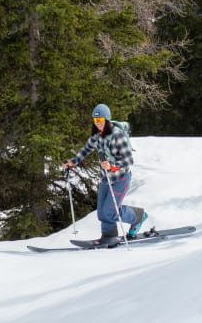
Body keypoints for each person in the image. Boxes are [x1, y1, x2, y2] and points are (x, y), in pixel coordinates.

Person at [63, 103, 147, 242]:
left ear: (106, 119)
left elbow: (129, 160)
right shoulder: (97, 135)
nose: (98, 123)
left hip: (120, 178)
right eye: (96, 120)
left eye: (101, 120)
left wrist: (112, 166)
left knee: (110, 211)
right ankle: (109, 236)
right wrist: (73, 161)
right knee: (102, 213)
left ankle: (138, 216)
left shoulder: (117, 135)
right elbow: (86, 149)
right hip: (106, 178)